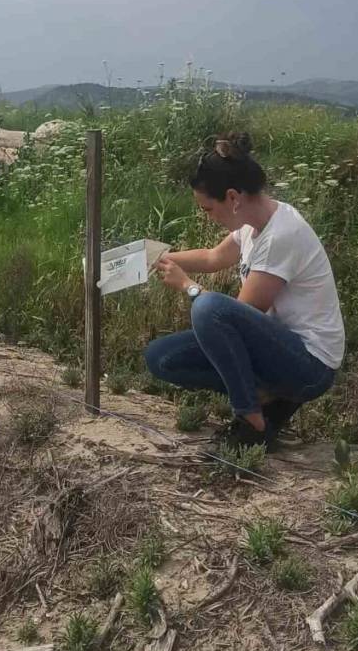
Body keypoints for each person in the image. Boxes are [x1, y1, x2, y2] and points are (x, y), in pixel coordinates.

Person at [144, 132, 344, 449]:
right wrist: (152, 258)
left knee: (209, 308)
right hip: (278, 347)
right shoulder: (252, 223)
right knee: (161, 357)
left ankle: (251, 418)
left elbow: (233, 316)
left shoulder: (281, 236)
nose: (207, 218)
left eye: (208, 209)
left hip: (309, 365)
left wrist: (187, 286)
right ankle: (269, 395)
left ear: (234, 198)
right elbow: (214, 256)